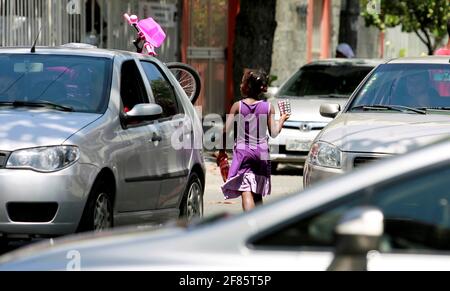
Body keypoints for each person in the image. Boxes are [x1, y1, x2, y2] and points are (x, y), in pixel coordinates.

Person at [220, 70, 290, 212]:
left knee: (246, 190)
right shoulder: (268, 107)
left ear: (246, 86)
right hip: (262, 153)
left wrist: (221, 151)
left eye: (242, 82)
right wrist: (282, 119)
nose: (240, 85)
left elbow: (224, 131)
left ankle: (250, 223)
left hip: (244, 152)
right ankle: (260, 224)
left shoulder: (237, 106)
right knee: (257, 192)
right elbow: (274, 133)